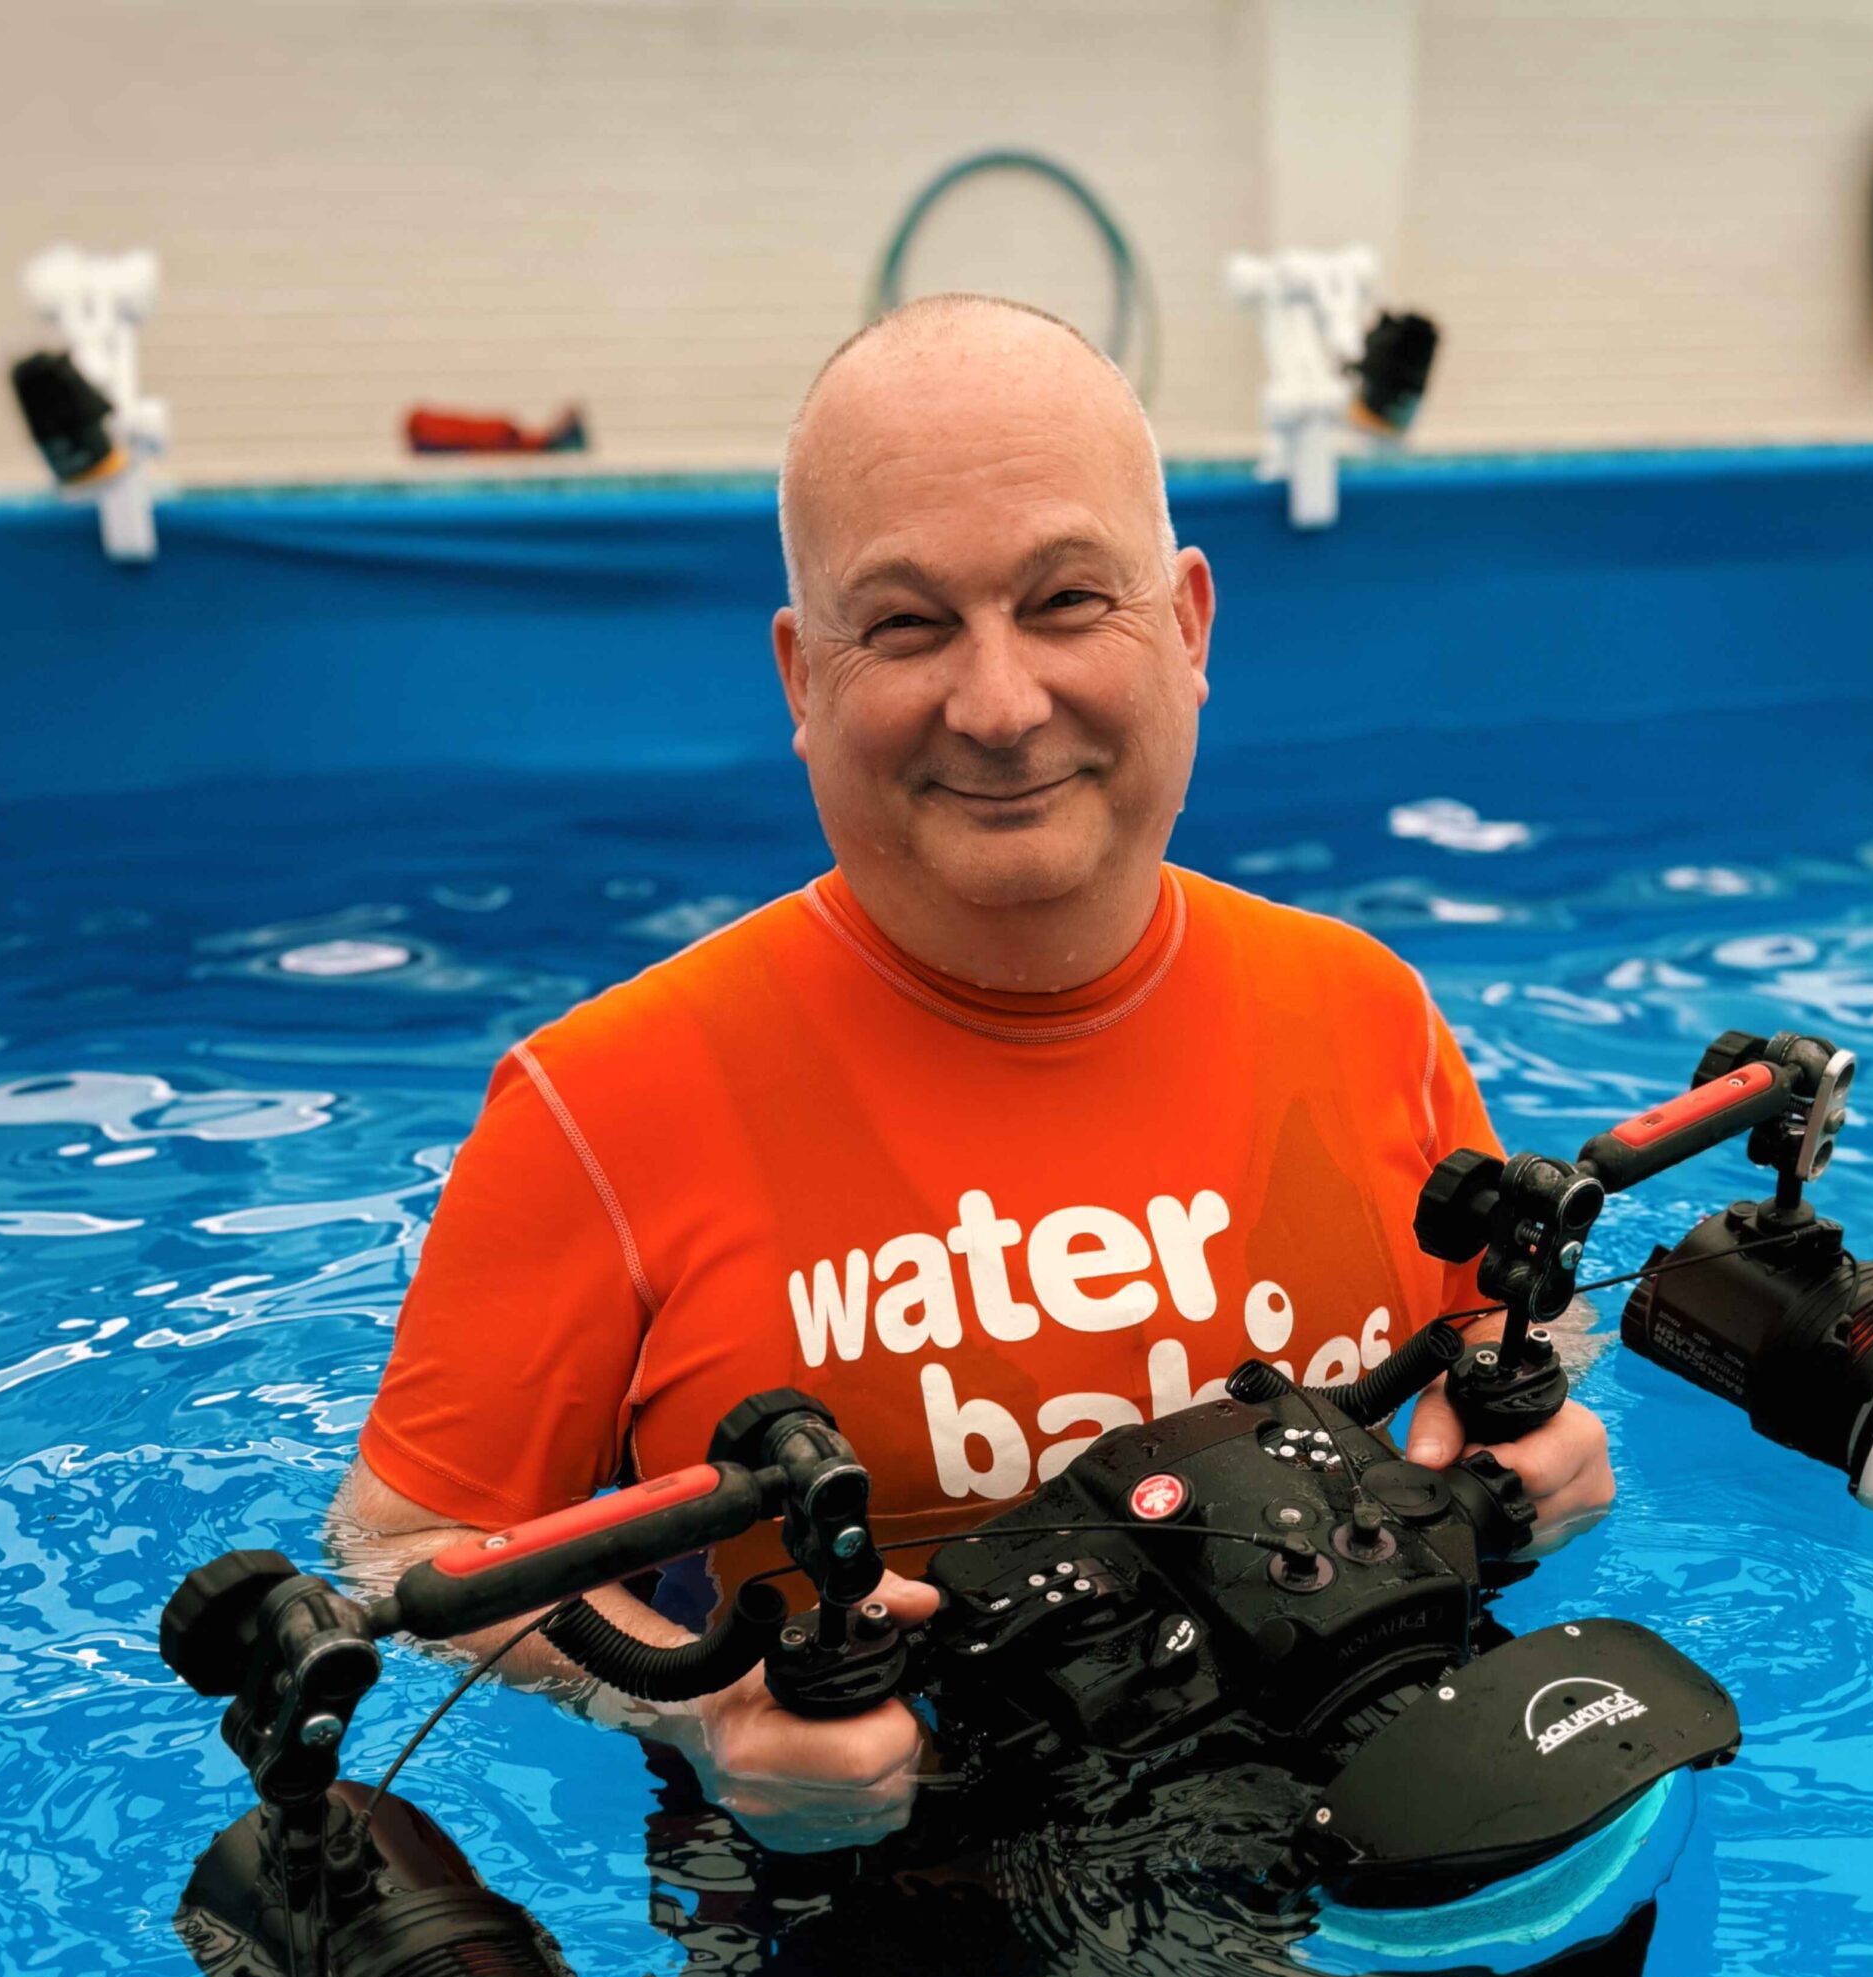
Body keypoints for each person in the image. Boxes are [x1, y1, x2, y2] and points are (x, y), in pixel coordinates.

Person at [329, 292, 1614, 1858]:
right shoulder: (600, 1109)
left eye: (1069, 599)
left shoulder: (1364, 1009)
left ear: (1191, 628)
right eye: (908, 623)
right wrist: (697, 1715)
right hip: (875, 1896)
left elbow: (1511, 1321)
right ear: (802, 678)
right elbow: (407, 1552)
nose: (1000, 706)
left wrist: (1538, 1433)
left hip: (1398, 1787)